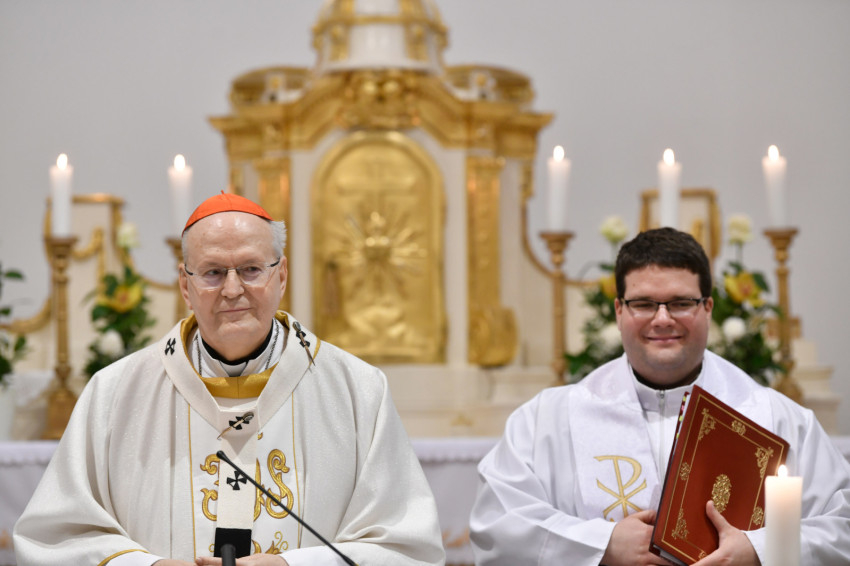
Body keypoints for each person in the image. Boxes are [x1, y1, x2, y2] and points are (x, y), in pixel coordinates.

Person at [14, 193, 446, 566]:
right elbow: (52, 540)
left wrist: (292, 565)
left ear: (281, 275)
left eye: (252, 269)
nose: (233, 289)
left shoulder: (356, 390)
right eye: (213, 273)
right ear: (185, 286)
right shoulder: (115, 393)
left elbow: (407, 546)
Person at [469, 227, 850, 566]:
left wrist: (759, 551)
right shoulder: (546, 421)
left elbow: (841, 526)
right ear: (619, 311)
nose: (663, 319)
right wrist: (602, 545)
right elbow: (497, 524)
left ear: (708, 308)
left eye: (681, 303)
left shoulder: (780, 419)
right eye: (644, 304)